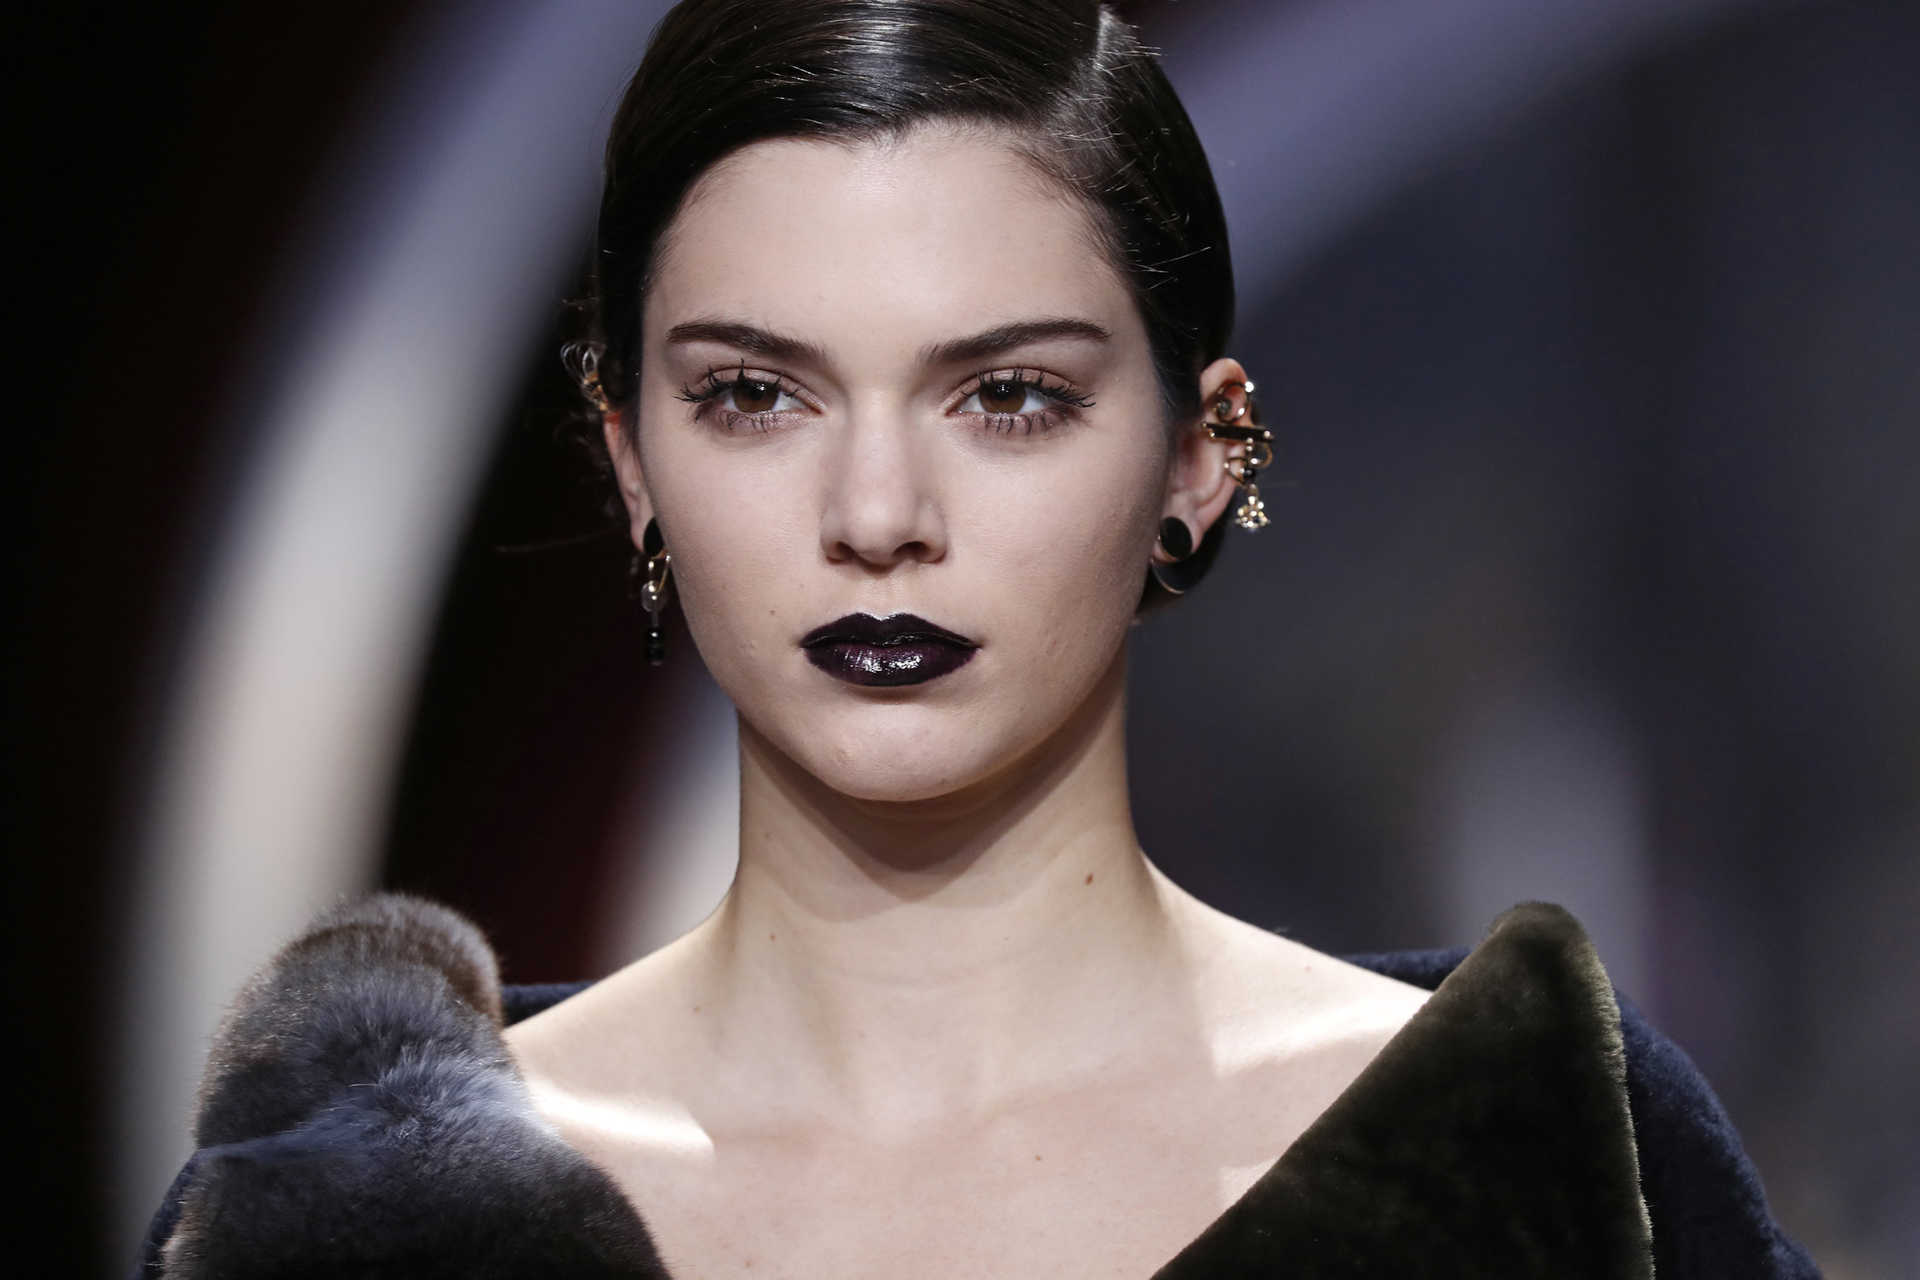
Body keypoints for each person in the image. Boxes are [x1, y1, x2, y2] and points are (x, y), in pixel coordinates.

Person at [136, 2, 1818, 1276]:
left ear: (1200, 456)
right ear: (633, 464)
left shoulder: (1555, 1163)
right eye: (755, 396)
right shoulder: (347, 1218)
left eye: (1009, 396)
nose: (878, 512)